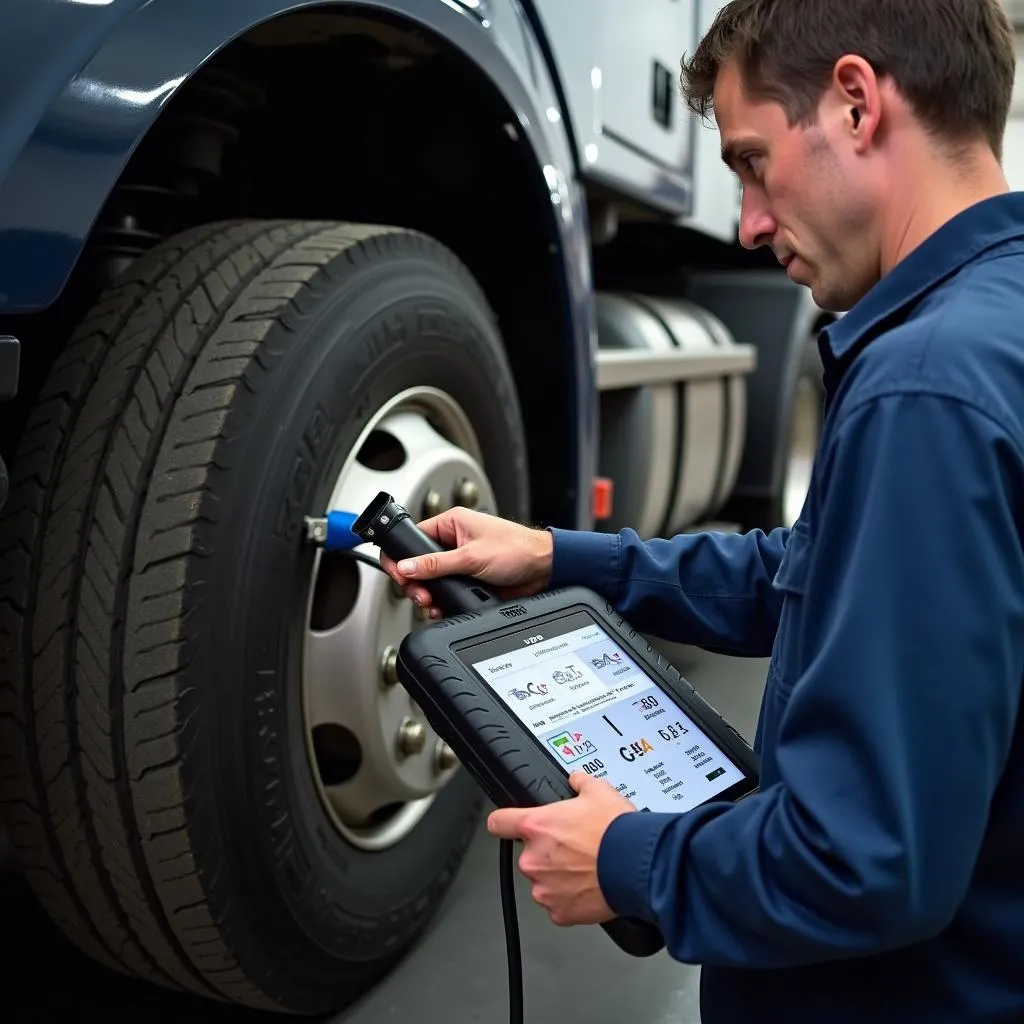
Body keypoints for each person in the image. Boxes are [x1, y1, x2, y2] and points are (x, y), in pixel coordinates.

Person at [383, 1, 1024, 1020]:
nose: (748, 222)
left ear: (856, 105)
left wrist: (631, 859)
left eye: (751, 161)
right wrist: (558, 557)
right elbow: (808, 572)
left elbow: (867, 861)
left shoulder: (926, 391)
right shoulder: (995, 327)